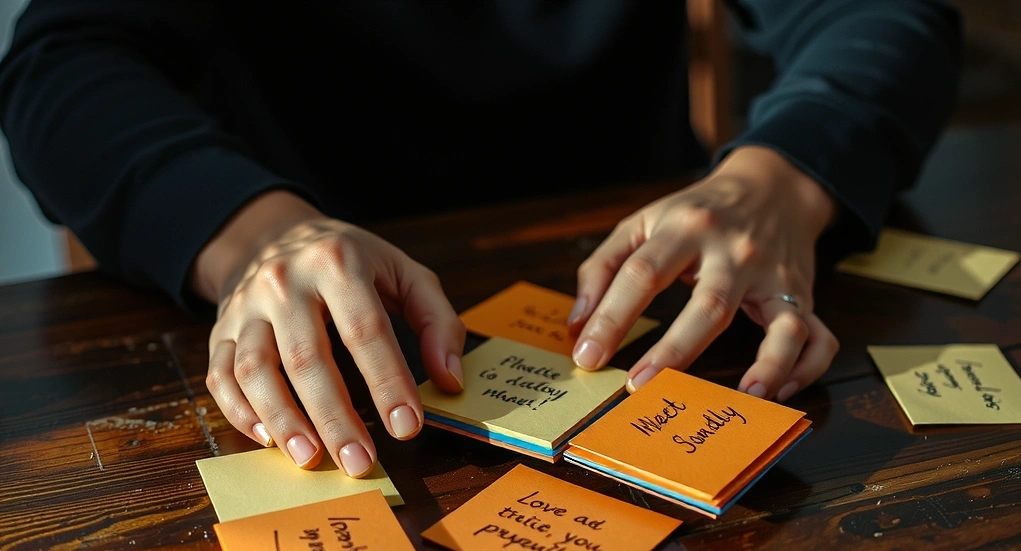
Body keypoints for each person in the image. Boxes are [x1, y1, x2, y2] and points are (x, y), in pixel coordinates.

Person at [0, 1, 962, 476]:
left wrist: (777, 180)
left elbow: (890, 13)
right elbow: (62, 64)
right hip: (316, 320)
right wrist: (251, 234)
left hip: (660, 299)